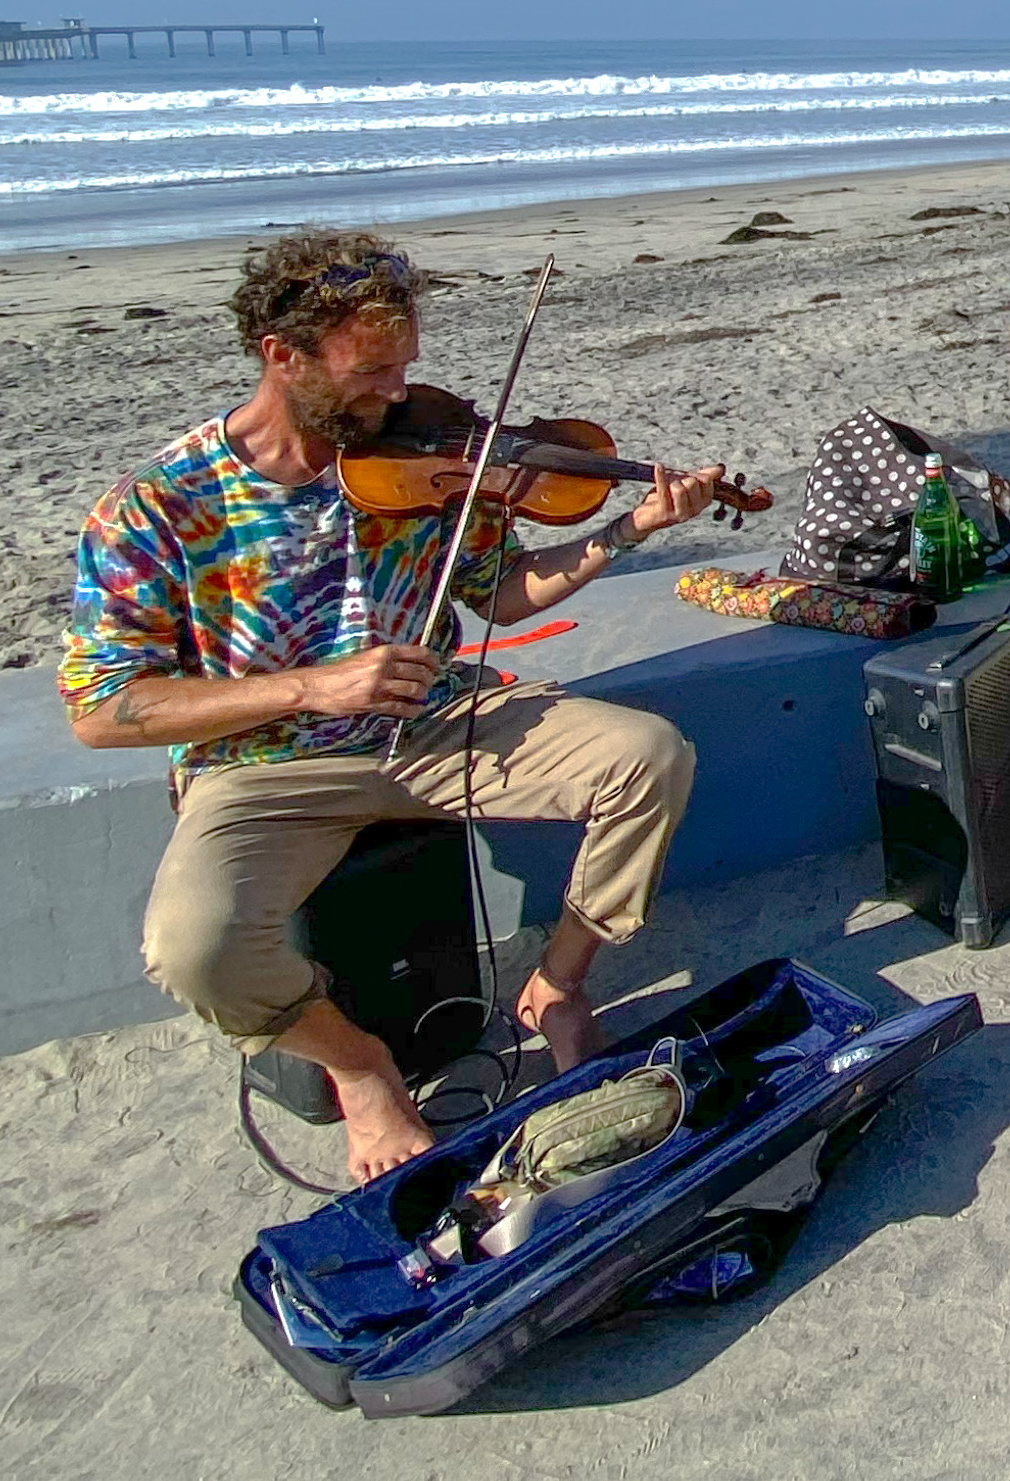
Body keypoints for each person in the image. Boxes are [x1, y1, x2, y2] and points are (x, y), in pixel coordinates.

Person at [59, 230, 723, 1182]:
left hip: (435, 724)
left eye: (405, 366)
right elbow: (101, 707)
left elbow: (499, 595)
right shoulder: (161, 504)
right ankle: (361, 1068)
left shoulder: (419, 451)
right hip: (265, 769)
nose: (397, 394)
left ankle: (557, 985)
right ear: (281, 356)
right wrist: (310, 686)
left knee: (647, 756)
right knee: (193, 948)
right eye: (370, 372)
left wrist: (628, 529)